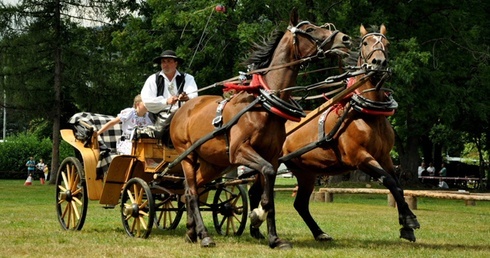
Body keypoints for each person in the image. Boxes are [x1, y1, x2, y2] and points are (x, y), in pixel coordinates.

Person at [140, 49, 198, 122]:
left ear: (176, 63)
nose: (165, 64)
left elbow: (194, 95)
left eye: (169, 61)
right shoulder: (152, 79)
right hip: (160, 120)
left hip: (184, 116)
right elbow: (147, 101)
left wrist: (186, 97)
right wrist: (166, 101)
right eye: (163, 62)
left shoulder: (187, 78)